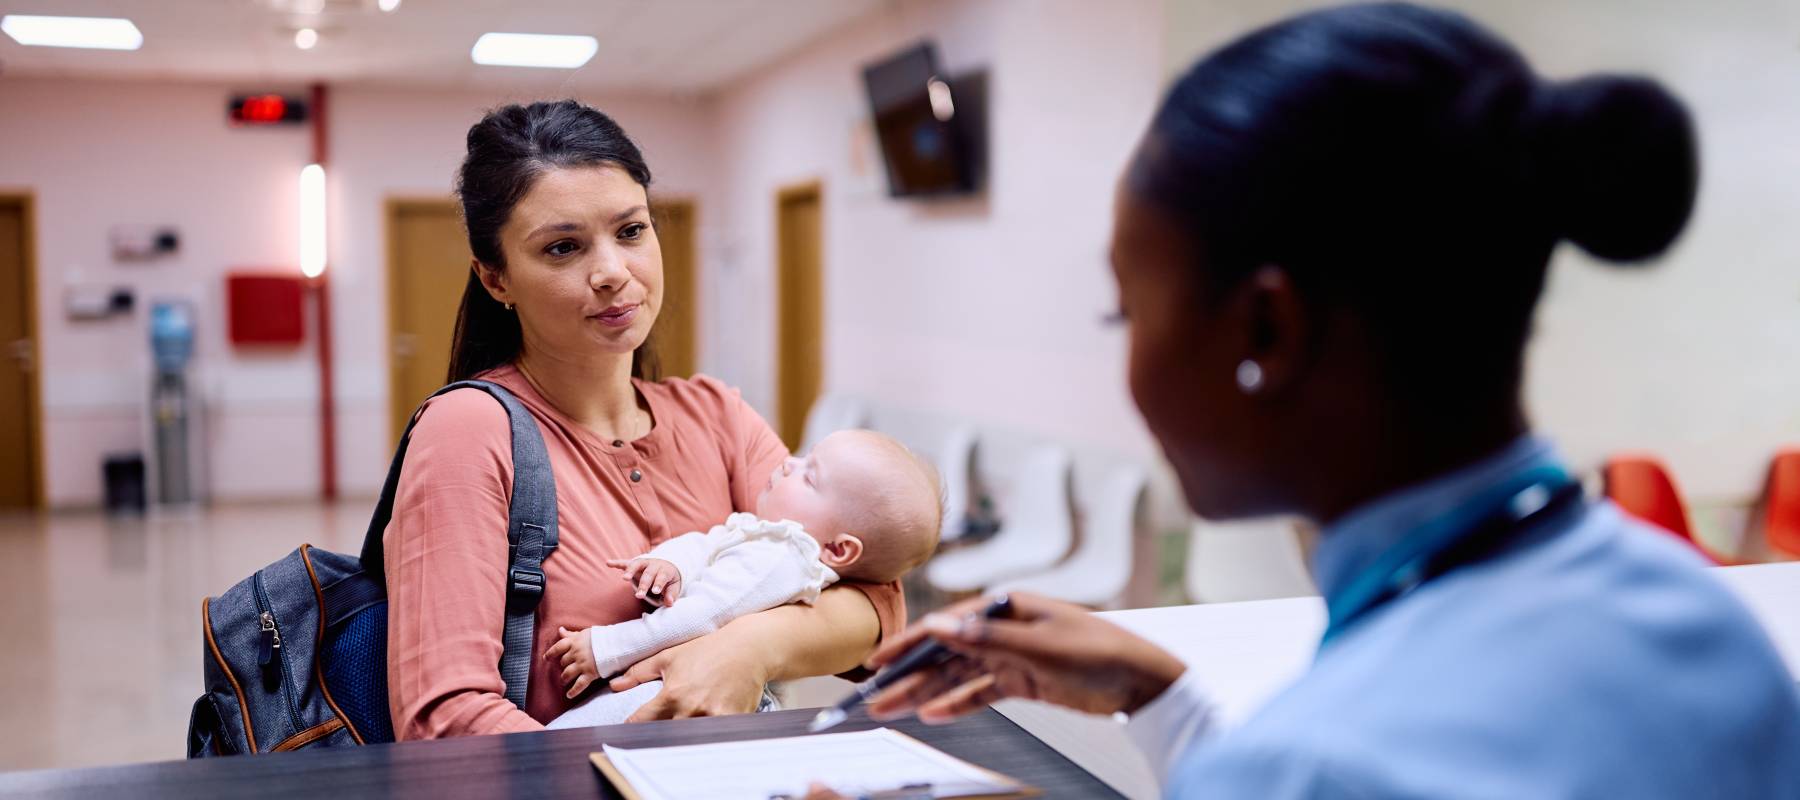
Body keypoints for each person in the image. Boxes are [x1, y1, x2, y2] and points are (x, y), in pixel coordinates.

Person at [812, 3, 1800, 798]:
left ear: (1265, 332)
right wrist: (1160, 695)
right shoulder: (1707, 621)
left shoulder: (1322, 757)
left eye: (1128, 314)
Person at [383, 101, 908, 739]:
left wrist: (748, 650)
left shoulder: (715, 415)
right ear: (496, 279)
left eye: (631, 231)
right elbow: (445, 718)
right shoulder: (468, 431)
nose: (612, 272)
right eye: (563, 247)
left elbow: (876, 604)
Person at [543, 429, 942, 728]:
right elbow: (708, 543)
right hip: (665, 678)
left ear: (838, 551)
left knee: (561, 752)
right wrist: (673, 566)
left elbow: (700, 617)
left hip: (668, 690)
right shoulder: (766, 536)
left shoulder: (781, 560)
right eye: (804, 458)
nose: (788, 463)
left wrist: (605, 648)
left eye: (810, 477)